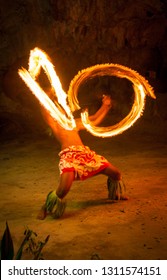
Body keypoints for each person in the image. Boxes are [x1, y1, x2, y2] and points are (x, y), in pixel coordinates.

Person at [37, 94, 127, 220]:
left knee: (116, 174)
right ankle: (45, 207)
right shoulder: (55, 125)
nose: (62, 110)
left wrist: (105, 105)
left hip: (85, 155)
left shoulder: (74, 123)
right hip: (69, 157)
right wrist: (44, 97)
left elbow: (95, 119)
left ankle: (115, 194)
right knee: (62, 190)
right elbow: (45, 111)